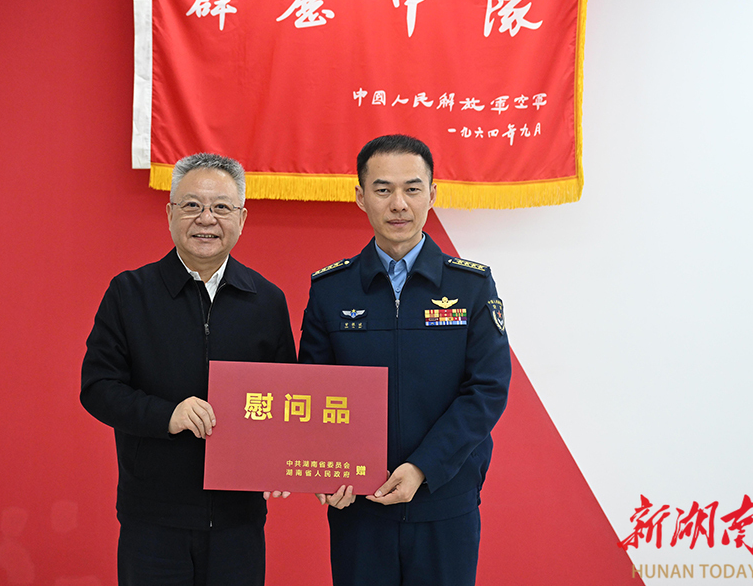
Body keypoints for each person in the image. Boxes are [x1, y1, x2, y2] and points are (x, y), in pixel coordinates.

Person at [298, 135, 512, 586]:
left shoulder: (471, 287)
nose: (398, 204)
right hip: (360, 506)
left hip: (444, 500)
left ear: (432, 194)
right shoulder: (331, 290)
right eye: (383, 189)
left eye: (412, 189)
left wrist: (422, 468)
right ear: (361, 197)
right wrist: (325, 469)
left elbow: (487, 389)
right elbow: (311, 393)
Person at [80, 153, 296, 586]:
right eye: (192, 205)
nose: (206, 219)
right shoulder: (130, 293)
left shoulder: (267, 301)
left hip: (238, 520)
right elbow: (98, 387)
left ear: (242, 218)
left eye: (221, 207)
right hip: (153, 518)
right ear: (170, 213)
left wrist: (280, 461)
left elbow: (288, 396)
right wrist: (167, 415)